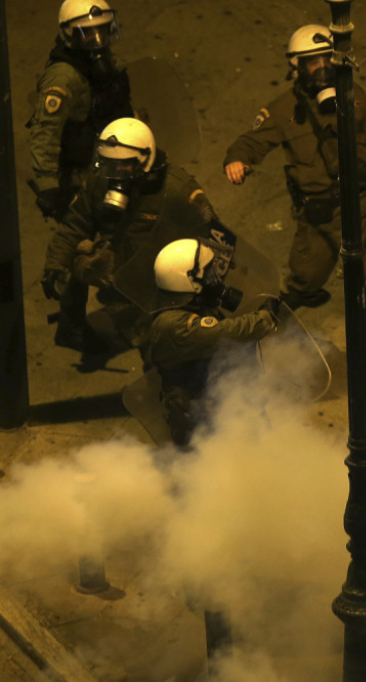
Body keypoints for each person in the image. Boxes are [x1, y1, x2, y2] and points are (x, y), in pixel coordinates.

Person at [222, 24, 366, 389]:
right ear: (296, 67)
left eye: (325, 59)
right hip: (319, 214)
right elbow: (251, 141)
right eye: (311, 62)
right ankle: (256, 331)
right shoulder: (284, 111)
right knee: (305, 281)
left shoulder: (355, 97)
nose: (320, 68)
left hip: (362, 204)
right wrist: (237, 159)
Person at [40, 117, 216, 353]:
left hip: (163, 284)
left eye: (122, 166)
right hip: (124, 280)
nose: (114, 173)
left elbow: (211, 235)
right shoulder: (98, 183)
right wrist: (55, 267)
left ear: (145, 158)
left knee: (163, 352)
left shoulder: (178, 190)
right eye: (108, 164)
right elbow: (76, 224)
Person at [146, 238, 280, 448]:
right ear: (188, 279)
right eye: (207, 273)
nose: (214, 278)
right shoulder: (172, 324)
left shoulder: (188, 305)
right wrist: (265, 318)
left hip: (218, 398)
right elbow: (224, 334)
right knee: (212, 471)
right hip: (197, 416)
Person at [28, 0, 133, 221]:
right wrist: (48, 186)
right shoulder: (63, 78)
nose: (96, 39)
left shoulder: (102, 65)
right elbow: (45, 132)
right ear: (71, 36)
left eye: (101, 30)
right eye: (87, 33)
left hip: (110, 162)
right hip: (81, 177)